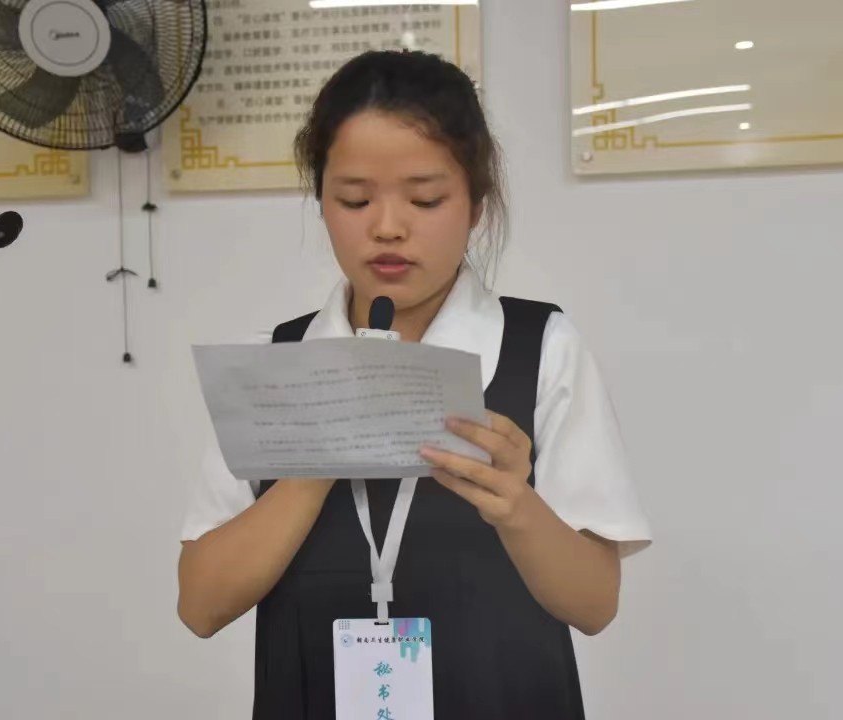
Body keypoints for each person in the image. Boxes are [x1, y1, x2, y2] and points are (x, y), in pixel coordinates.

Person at [177, 49, 651, 720]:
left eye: (426, 198)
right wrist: (316, 462)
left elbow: (595, 605)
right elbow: (200, 606)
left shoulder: (543, 348)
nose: (388, 227)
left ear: (476, 204)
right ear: (321, 201)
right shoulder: (276, 363)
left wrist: (518, 508)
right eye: (354, 199)